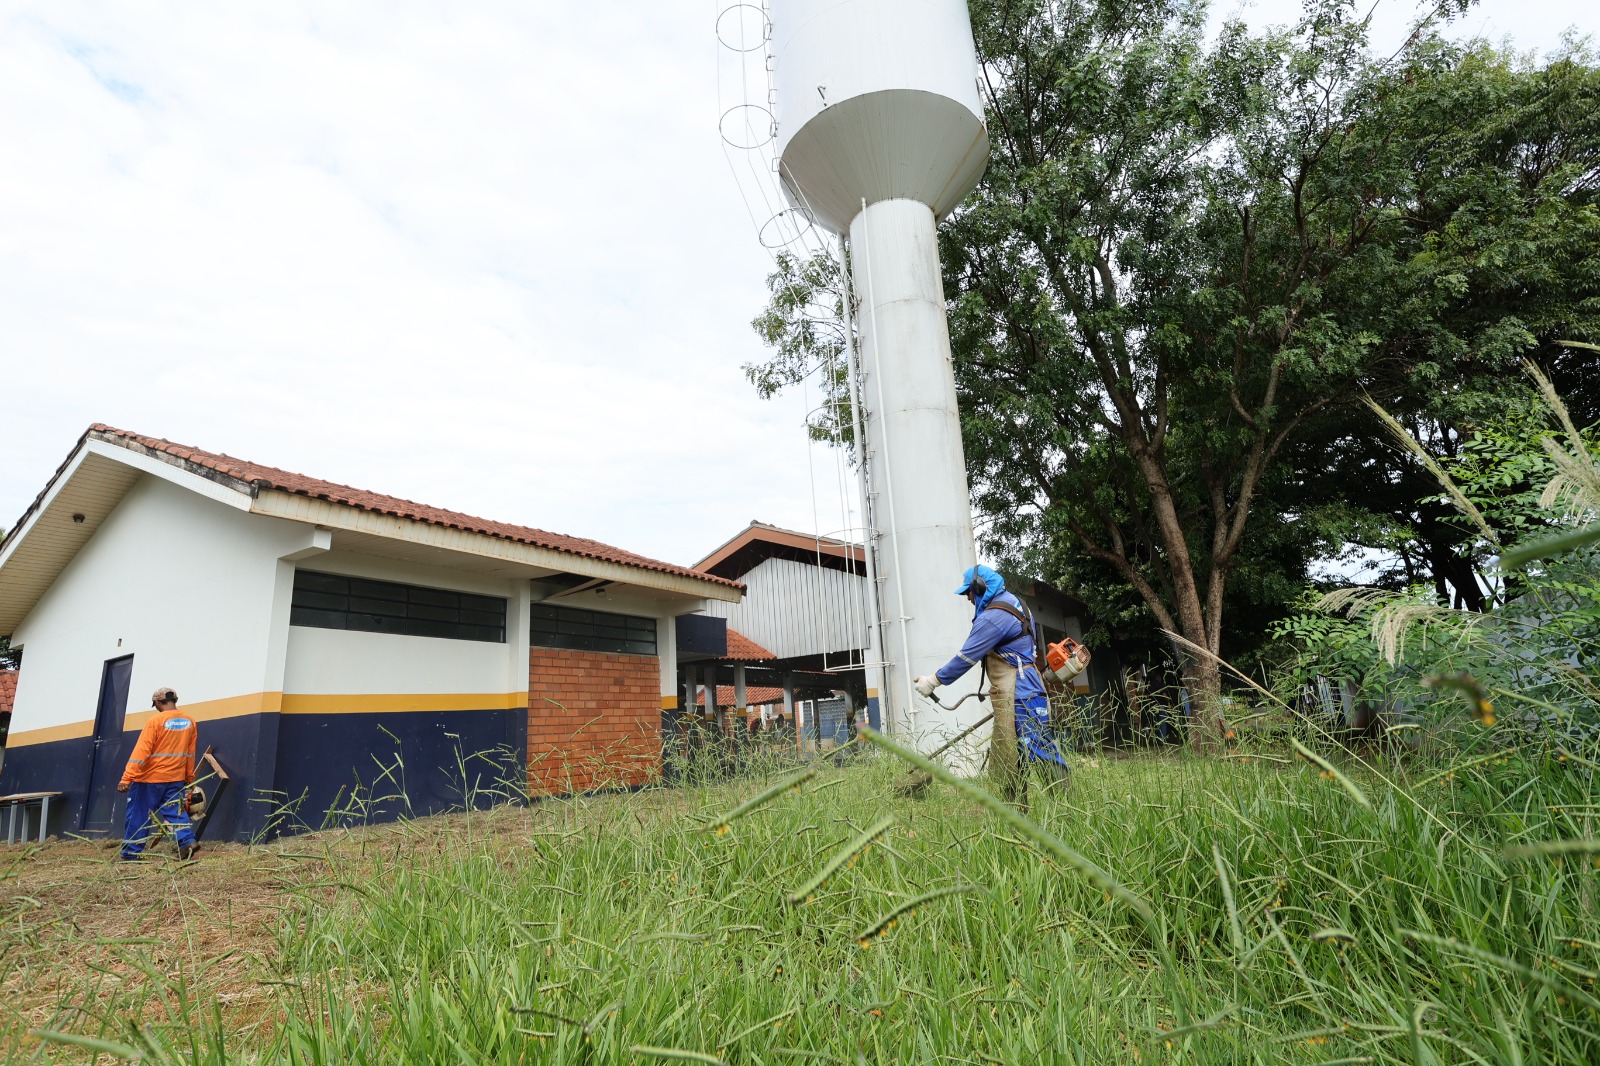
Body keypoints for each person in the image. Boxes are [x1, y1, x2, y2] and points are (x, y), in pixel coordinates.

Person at [913, 565, 1070, 804]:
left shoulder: (994, 617)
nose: (968, 598)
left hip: (1020, 692)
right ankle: (1016, 816)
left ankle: (1068, 808)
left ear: (980, 588)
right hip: (1018, 690)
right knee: (1011, 758)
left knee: (1039, 750)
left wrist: (933, 681)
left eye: (969, 592)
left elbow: (966, 656)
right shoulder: (1017, 604)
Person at [117, 686, 199, 861]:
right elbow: (190, 753)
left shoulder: (155, 722)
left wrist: (127, 778)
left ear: (159, 702)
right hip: (175, 778)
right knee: (176, 813)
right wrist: (188, 777)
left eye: (155, 704)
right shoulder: (190, 721)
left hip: (149, 779)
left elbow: (142, 751)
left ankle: (131, 852)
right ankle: (187, 841)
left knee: (139, 815)